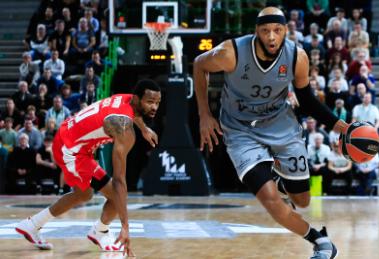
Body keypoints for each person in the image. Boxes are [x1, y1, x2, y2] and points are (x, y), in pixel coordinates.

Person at [194, 7, 347, 259]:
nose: (272, 37)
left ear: (286, 30)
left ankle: (277, 175)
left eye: (277, 30)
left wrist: (342, 127)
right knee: (270, 199)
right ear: (257, 32)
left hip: (280, 124)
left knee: (303, 200)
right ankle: (321, 241)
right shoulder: (230, 53)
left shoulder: (297, 57)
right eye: (266, 31)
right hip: (239, 129)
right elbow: (200, 64)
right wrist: (204, 115)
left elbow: (307, 102)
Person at [15, 79, 161, 256]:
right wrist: (125, 227)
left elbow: (135, 114)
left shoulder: (127, 99)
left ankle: (33, 225)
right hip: (70, 148)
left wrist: (144, 129)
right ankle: (99, 231)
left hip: (74, 142)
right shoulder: (125, 130)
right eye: (150, 102)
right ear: (138, 100)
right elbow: (119, 181)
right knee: (113, 194)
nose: (155, 107)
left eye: (157, 103)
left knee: (85, 194)